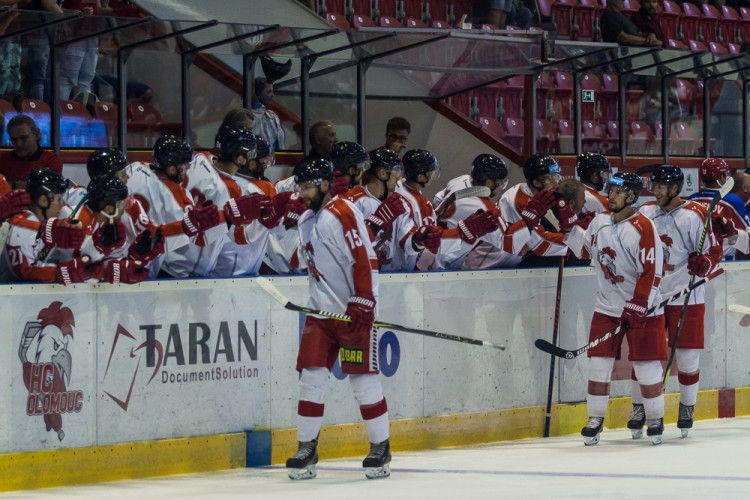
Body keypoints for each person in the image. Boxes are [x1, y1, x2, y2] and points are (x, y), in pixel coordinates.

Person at [286, 158, 391, 480]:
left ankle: (381, 448)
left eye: (306, 186)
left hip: (351, 315)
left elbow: (365, 257)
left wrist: (364, 300)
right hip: (319, 314)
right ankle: (307, 447)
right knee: (311, 380)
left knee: (362, 381)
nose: (301, 193)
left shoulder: (343, 212)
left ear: (324, 184)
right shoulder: (306, 218)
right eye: (299, 186)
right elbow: (297, 260)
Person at [565, 172, 666, 446]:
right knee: (598, 365)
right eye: (610, 191)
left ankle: (655, 419)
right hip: (607, 306)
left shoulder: (644, 228)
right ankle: (595, 419)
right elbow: (585, 251)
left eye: (618, 192)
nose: (611, 196)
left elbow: (653, 271)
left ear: (632, 197)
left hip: (644, 308)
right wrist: (568, 229)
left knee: (646, 366)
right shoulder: (599, 222)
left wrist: (640, 302)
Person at [637, 165, 722, 438]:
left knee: (686, 357)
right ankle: (640, 406)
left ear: (675, 189)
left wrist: (705, 263)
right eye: (655, 186)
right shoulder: (645, 211)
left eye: (661, 187)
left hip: (687, 294)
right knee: (645, 356)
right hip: (652, 296)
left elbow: (714, 250)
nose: (655, 191)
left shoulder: (695, 214)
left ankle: (687, 406)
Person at [126, 136, 228, 278]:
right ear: (172, 169)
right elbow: (196, 233)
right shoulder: (177, 195)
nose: (188, 167)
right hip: (141, 267)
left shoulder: (135, 168)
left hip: (115, 255)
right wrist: (228, 217)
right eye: (184, 165)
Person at [434, 153, 530, 270]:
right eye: (500, 183)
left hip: (428, 246)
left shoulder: (460, 180)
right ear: (489, 182)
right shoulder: (485, 209)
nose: (500, 187)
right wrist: (530, 219)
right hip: (442, 263)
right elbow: (508, 242)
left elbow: (437, 199)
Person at [0, 168, 93, 283]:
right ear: (43, 200)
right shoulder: (20, 226)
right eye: (59, 199)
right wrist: (64, 272)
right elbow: (27, 271)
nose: (63, 204)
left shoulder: (49, 221)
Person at [496, 154, 569, 268]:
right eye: (550, 179)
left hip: (516, 244)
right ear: (536, 183)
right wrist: (575, 241)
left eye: (556, 176)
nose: (556, 182)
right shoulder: (522, 203)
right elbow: (541, 246)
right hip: (503, 257)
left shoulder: (533, 193)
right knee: (573, 257)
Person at [689, 158, 750, 260]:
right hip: (723, 263)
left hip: (695, 261)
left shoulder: (692, 199)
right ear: (722, 176)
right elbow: (747, 235)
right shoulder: (732, 200)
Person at [0, 114, 63, 188]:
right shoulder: (5, 159)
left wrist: (10, 185)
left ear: (35, 135)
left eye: (23, 138)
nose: (19, 144)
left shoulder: (51, 160)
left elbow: (48, 188)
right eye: (14, 139)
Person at [251, 77, 285, 152]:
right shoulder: (248, 116)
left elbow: (280, 145)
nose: (273, 95)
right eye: (268, 92)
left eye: (272, 91)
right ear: (258, 94)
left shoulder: (272, 116)